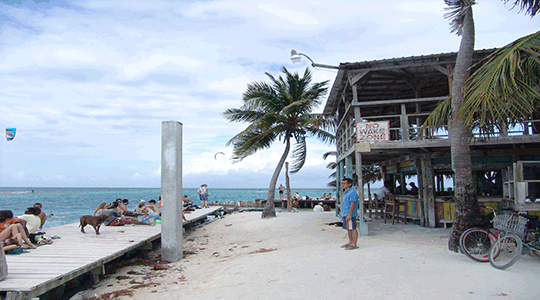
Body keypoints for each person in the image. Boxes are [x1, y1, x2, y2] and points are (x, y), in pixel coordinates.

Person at [340, 178, 359, 250]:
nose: (343, 185)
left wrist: (350, 214)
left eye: (344, 183)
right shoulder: (346, 192)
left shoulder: (352, 192)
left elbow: (353, 204)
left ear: (349, 184)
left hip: (350, 214)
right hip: (345, 213)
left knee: (353, 228)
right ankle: (350, 242)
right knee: (348, 228)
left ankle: (354, 243)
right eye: (342, 183)